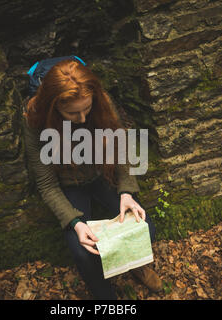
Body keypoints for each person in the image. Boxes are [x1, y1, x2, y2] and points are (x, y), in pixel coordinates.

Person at [22, 59, 162, 299]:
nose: (83, 118)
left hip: (101, 172)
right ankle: (104, 295)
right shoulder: (34, 118)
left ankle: (134, 265)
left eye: (87, 109)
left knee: (144, 228)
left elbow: (120, 147)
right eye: (72, 113)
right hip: (69, 185)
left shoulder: (101, 101)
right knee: (83, 252)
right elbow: (46, 184)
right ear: (53, 107)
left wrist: (126, 192)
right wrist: (75, 223)